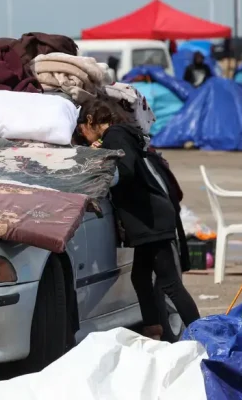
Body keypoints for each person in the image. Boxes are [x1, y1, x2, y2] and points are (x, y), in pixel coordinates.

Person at [75, 100, 201, 340]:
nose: (83, 137)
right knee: (140, 277)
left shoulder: (115, 135)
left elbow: (127, 170)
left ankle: (203, 335)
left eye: (81, 130)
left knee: (170, 283)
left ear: (89, 121)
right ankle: (154, 331)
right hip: (149, 217)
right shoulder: (122, 134)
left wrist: (97, 176)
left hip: (150, 219)